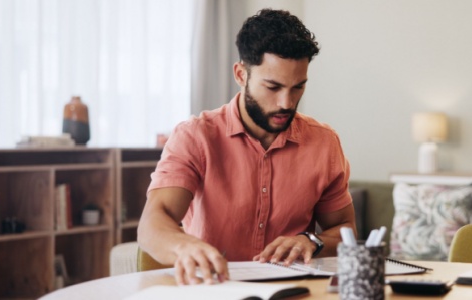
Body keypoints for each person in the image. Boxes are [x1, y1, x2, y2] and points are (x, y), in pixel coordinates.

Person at [137, 9, 356, 286]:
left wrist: (311, 240)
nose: (286, 103)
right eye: (273, 87)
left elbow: (345, 229)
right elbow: (152, 224)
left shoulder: (324, 144)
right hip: (214, 289)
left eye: (298, 87)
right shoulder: (195, 137)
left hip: (292, 291)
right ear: (241, 74)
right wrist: (184, 246)